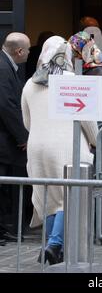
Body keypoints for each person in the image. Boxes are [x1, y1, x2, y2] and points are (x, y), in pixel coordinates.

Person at [21, 36, 98, 265]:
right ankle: (55, 244)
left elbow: (27, 121)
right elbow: (88, 121)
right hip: (67, 146)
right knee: (68, 196)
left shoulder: (30, 84)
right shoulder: (72, 81)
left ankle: (52, 246)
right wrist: (94, 140)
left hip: (37, 148)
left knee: (48, 195)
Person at [0, 32, 31, 242]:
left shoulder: (6, 65)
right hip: (4, 140)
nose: (29, 53)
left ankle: (3, 229)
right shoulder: (3, 68)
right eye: (28, 49)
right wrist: (23, 136)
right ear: (19, 51)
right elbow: (6, 105)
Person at [70, 27, 102, 128]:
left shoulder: (101, 70)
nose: (71, 57)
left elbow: (100, 111)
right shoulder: (73, 67)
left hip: (95, 129)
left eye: (74, 53)